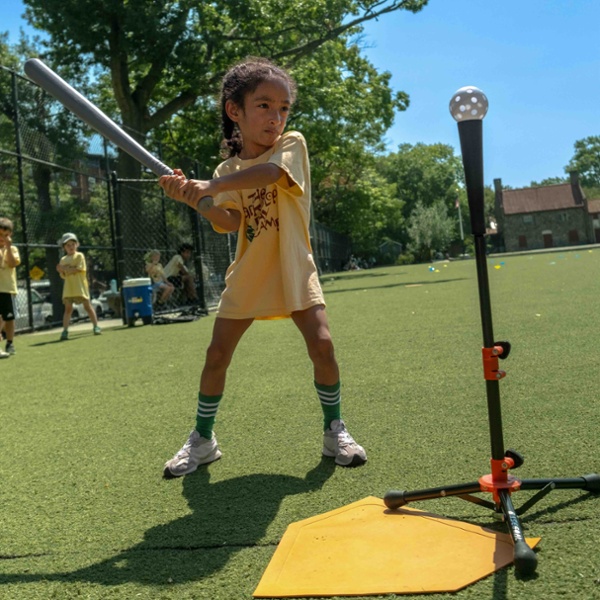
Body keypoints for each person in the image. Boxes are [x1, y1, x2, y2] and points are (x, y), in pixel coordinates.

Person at [158, 57, 367, 478]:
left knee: (323, 345)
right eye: (264, 106)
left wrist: (211, 187)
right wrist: (195, 200)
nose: (276, 117)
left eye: (283, 107)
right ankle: (203, 440)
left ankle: (334, 430)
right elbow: (230, 222)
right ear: (234, 110)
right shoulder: (226, 171)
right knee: (216, 354)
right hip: (250, 272)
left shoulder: (291, 145)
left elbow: (272, 174)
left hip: (294, 268)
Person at [56, 232, 101, 340]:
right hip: (69, 288)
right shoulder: (63, 260)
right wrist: (63, 270)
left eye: (73, 244)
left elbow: (78, 269)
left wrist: (65, 269)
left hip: (80, 287)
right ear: (64, 247)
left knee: (87, 306)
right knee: (68, 309)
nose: (71, 247)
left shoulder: (80, 256)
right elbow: (63, 275)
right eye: (68, 245)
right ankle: (65, 331)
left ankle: (96, 326)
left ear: (77, 245)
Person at [0, 217, 21, 357]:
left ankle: (10, 343)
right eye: (0, 235)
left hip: (8, 289)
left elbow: (13, 264)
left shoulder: (12, 249)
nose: (3, 238)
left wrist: (7, 247)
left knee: (9, 318)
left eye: (5, 235)